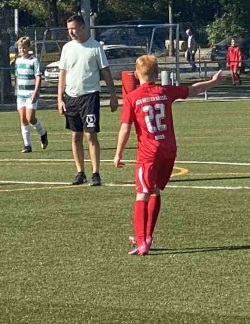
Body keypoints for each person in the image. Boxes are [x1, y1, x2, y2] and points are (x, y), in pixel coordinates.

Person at [113, 53, 227, 254]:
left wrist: (118, 153)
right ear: (157, 74)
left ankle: (141, 241)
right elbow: (193, 90)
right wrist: (213, 82)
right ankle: (148, 236)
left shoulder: (132, 98)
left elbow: (125, 128)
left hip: (148, 152)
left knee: (142, 193)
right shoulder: (165, 91)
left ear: (137, 74)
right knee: (155, 190)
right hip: (169, 149)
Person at [56, 14, 112, 187]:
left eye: (73, 28)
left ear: (82, 27)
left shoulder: (95, 47)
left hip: (90, 96)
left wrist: (113, 96)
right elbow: (62, 73)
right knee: (75, 136)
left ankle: (96, 173)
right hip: (71, 98)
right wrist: (60, 98)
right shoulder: (67, 48)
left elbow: (105, 71)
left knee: (90, 135)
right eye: (69, 29)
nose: (71, 32)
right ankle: (80, 172)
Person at [13, 38, 48, 153]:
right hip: (21, 95)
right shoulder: (18, 61)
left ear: (29, 48)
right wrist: (16, 90)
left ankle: (43, 133)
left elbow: (38, 76)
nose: (22, 50)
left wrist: (36, 92)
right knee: (23, 119)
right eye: (20, 48)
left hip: (31, 94)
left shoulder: (34, 61)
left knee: (30, 118)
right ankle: (27, 145)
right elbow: (17, 76)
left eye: (24, 48)